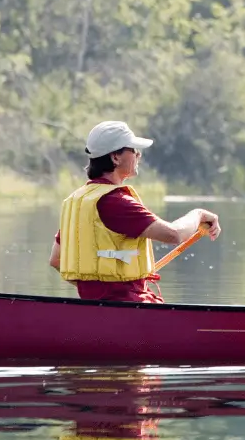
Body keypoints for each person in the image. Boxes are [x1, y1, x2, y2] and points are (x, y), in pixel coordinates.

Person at [48, 120, 222, 303]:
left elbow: (56, 259)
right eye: (133, 149)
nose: (138, 154)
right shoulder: (116, 202)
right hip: (130, 304)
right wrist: (199, 214)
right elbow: (174, 234)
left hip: (99, 307)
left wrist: (94, 287)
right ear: (115, 157)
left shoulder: (79, 200)